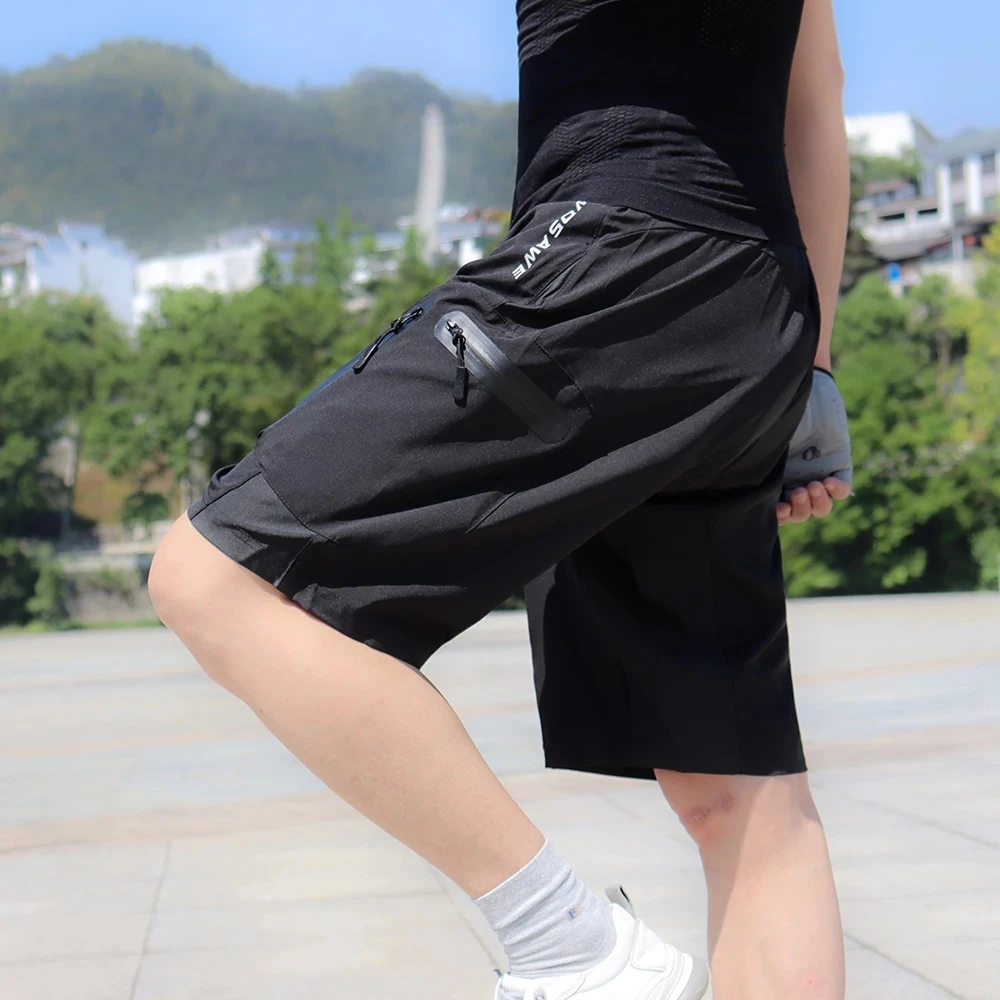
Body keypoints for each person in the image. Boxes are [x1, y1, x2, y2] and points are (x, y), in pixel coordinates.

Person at [149, 0, 854, 996]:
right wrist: (810, 364)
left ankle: (571, 945)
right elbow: (815, 96)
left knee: (215, 575)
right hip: (750, 304)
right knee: (741, 796)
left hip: (616, 264)